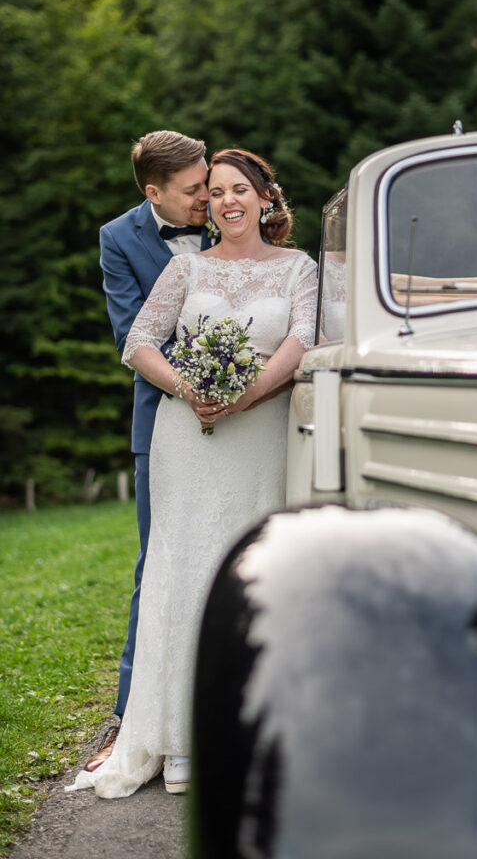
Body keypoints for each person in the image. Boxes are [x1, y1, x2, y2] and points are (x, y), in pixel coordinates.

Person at [69, 148, 318, 797]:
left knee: (252, 574)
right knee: (181, 572)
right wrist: (188, 388)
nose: (227, 200)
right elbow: (138, 341)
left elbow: (302, 341)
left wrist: (249, 394)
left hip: (261, 436)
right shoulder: (186, 270)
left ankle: (249, 724)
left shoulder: (300, 268)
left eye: (240, 189)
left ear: (266, 199)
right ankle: (178, 738)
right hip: (188, 435)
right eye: (215, 191)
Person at [84, 130, 212, 773]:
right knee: (154, 564)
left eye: (208, 181)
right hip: (160, 420)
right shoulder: (118, 239)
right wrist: (200, 387)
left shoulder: (235, 216)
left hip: (253, 421)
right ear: (152, 192)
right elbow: (130, 335)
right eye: (193, 190)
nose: (207, 198)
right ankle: (130, 715)